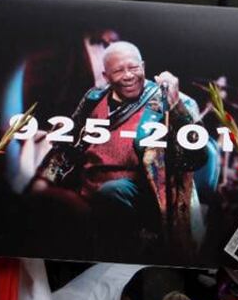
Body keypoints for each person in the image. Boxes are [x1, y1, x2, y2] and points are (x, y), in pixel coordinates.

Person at [26, 41, 210, 259]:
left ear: (143, 66)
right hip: (86, 195)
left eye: (133, 68)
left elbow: (195, 159)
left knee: (112, 192)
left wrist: (176, 106)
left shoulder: (170, 100)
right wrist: (43, 181)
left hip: (140, 198)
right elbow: (66, 146)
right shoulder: (94, 98)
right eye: (118, 71)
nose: (128, 76)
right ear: (105, 76)